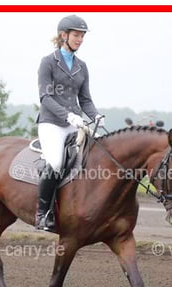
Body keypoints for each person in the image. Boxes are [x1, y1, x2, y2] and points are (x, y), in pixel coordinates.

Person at [35, 14, 103, 232]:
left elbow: (85, 100)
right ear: (63, 35)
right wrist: (68, 115)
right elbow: (45, 97)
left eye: (82, 36)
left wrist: (96, 116)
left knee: (95, 156)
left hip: (75, 123)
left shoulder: (82, 66)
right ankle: (42, 214)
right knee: (55, 163)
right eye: (76, 35)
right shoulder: (48, 62)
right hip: (52, 123)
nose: (80, 39)